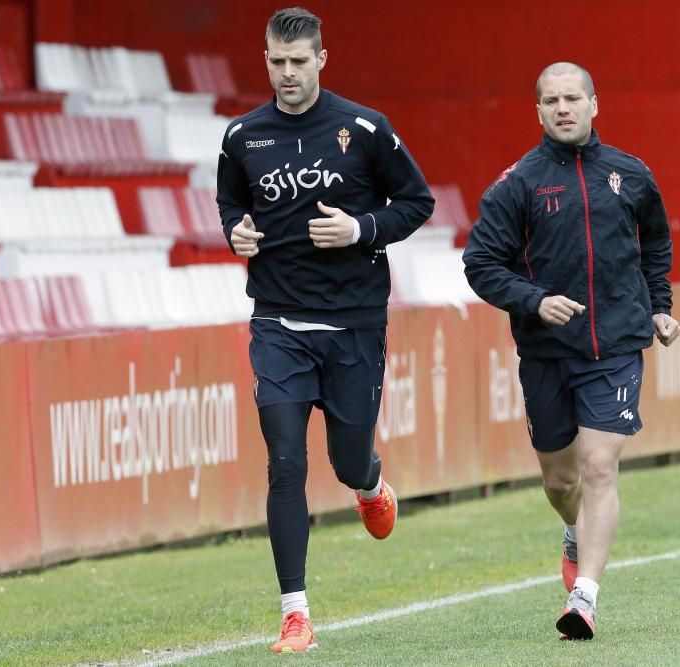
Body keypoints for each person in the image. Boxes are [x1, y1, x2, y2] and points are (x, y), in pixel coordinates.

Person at [216, 7, 434, 654]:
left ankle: (369, 482)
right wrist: (237, 232)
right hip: (278, 322)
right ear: (267, 61)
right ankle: (294, 613)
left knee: (344, 461)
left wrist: (360, 230)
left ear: (321, 60)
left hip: (354, 325)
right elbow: (231, 202)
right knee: (285, 460)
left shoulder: (364, 128)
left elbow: (418, 202)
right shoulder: (241, 137)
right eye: (276, 62)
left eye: (298, 61)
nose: (287, 73)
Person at [462, 62, 680, 641]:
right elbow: (479, 266)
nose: (563, 108)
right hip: (545, 352)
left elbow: (655, 239)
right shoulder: (518, 185)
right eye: (552, 100)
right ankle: (572, 530)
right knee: (562, 483)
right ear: (537, 111)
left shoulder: (631, 174)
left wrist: (659, 304)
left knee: (599, 466)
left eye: (573, 98)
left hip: (616, 346)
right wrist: (534, 302)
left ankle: (584, 597)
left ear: (594, 104)